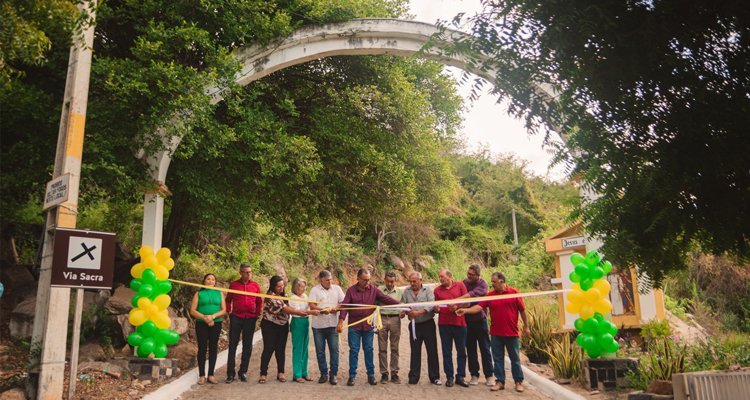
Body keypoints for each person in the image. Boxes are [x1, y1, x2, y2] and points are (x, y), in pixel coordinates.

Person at [456, 271, 530, 392]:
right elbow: (479, 307)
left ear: (502, 282)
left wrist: (526, 327)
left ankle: (518, 382)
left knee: (515, 359)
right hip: (496, 334)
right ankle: (500, 381)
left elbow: (522, 310)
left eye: (494, 282)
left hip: (512, 333)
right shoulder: (490, 295)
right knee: (497, 359)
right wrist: (465, 310)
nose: (492, 285)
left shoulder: (514, 293)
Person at [337, 268, 400, 386]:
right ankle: (352, 376)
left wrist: (400, 304)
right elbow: (345, 306)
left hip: (368, 326)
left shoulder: (374, 290)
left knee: (369, 350)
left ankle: (370, 375)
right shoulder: (350, 291)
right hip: (354, 326)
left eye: (369, 280)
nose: (367, 282)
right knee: (354, 350)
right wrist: (341, 321)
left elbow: (386, 299)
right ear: (358, 279)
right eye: (365, 280)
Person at [259, 275, 319, 384]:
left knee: (281, 349)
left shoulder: (285, 295)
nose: (281, 288)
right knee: (269, 348)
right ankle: (263, 374)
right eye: (278, 286)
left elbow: (310, 304)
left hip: (283, 325)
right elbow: (292, 311)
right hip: (270, 325)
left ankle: (281, 372)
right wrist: (312, 312)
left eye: (282, 285)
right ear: (273, 286)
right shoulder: (271, 297)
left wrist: (320, 309)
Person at [401, 271, 441, 386]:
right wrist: (403, 312)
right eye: (410, 281)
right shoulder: (406, 291)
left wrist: (418, 312)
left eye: (414, 281)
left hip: (428, 324)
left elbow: (431, 305)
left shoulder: (428, 290)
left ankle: (434, 377)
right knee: (415, 352)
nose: (412, 283)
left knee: (432, 351)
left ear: (420, 280)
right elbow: (403, 305)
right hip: (414, 326)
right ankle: (413, 377)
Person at [225, 263, 263, 383]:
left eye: (250, 272)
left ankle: (243, 372)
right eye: (246, 272)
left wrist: (257, 314)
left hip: (250, 318)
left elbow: (259, 301)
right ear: (240, 273)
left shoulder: (255, 285)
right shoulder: (234, 285)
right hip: (236, 317)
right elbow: (228, 300)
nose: (249, 274)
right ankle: (230, 373)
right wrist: (229, 312)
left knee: (247, 346)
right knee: (233, 345)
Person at [459, 264, 495, 386]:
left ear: (478, 275)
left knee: (485, 348)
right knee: (470, 349)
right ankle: (474, 374)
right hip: (467, 321)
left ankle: (489, 375)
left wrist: (458, 299)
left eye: (471, 275)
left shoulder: (483, 284)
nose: (468, 276)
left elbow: (471, 295)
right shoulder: (464, 283)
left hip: (480, 321)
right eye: (468, 273)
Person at [433, 268, 469, 388]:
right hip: (444, 324)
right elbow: (435, 306)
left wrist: (457, 306)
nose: (441, 279)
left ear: (450, 276)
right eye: (439, 277)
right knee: (446, 351)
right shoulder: (437, 290)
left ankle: (461, 376)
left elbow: (468, 302)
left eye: (442, 277)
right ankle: (449, 377)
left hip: (460, 323)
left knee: (461, 351)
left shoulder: (460, 285)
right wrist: (436, 309)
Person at [308, 270, 345, 385]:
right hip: (318, 326)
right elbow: (311, 304)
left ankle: (333, 374)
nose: (330, 282)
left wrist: (337, 309)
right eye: (327, 280)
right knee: (320, 351)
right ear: (321, 280)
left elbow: (343, 302)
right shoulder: (314, 290)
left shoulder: (337, 289)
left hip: (333, 325)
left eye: (331, 279)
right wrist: (321, 310)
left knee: (334, 350)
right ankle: (323, 374)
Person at [189, 273, 226, 385]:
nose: (210, 281)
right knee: (202, 348)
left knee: (213, 347)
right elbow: (193, 310)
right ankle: (201, 375)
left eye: (213, 279)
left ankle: (211, 374)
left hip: (216, 323)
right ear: (204, 281)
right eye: (208, 279)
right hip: (201, 324)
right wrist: (205, 318)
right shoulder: (199, 293)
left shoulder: (219, 293)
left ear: (215, 282)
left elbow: (224, 310)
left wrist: (213, 317)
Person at [377, 270, 403, 384]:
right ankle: (384, 373)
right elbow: (374, 305)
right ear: (384, 280)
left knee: (394, 348)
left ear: (395, 281)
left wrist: (402, 312)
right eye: (388, 281)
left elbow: (404, 306)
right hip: (382, 318)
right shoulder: (379, 290)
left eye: (392, 281)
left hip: (395, 319)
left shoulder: (400, 292)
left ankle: (394, 373)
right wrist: (375, 324)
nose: (390, 284)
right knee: (382, 348)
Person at [289, 277, 313, 383]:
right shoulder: (292, 297)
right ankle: (297, 374)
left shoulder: (305, 296)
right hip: (297, 322)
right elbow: (300, 312)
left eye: (304, 286)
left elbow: (309, 307)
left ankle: (305, 372)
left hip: (305, 322)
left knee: (305, 348)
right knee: (298, 348)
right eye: (301, 286)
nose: (303, 288)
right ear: (295, 287)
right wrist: (313, 312)